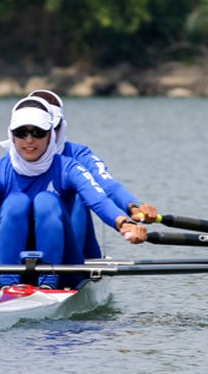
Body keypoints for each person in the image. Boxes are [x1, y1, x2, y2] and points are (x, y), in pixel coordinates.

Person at [0, 100, 147, 289]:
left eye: (38, 133)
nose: (29, 140)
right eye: (22, 133)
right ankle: (10, 284)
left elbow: (99, 200)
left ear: (51, 135)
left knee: (46, 200)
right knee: (16, 202)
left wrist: (125, 223)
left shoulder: (69, 167)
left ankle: (48, 282)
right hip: (3, 264)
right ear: (12, 135)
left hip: (65, 267)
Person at [21, 89, 159, 261]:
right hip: (23, 249)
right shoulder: (10, 164)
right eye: (27, 130)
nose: (33, 138)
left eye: (46, 128)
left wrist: (134, 206)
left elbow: (109, 187)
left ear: (59, 126)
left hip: (75, 252)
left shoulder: (78, 156)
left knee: (80, 194)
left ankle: (68, 269)